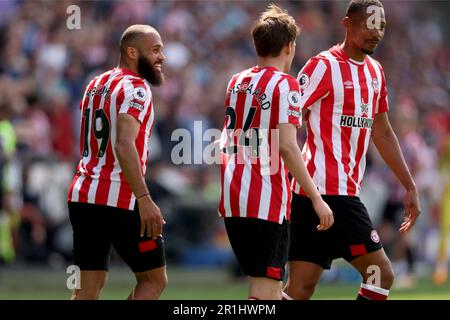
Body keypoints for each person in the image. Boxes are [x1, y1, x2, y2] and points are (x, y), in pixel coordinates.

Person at [285, 0, 421, 300]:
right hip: (328, 191)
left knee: (300, 289)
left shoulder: (375, 72)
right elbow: (287, 117)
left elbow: (383, 132)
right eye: (369, 25)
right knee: (381, 274)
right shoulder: (322, 66)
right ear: (347, 25)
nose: (377, 33)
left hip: (325, 194)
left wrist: (409, 185)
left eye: (381, 27)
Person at [219, 4, 334, 300]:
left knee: (266, 290)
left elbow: (224, 141)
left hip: (233, 198)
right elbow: (287, 146)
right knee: (265, 291)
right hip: (265, 199)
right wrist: (317, 199)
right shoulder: (286, 85)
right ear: (289, 46)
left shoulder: (237, 81)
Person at [67, 25, 167, 300]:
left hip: (84, 193)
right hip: (120, 196)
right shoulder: (137, 88)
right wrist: (144, 198)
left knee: (86, 290)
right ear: (132, 52)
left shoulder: (95, 84)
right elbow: (123, 143)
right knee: (153, 280)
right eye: (156, 50)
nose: (162, 57)